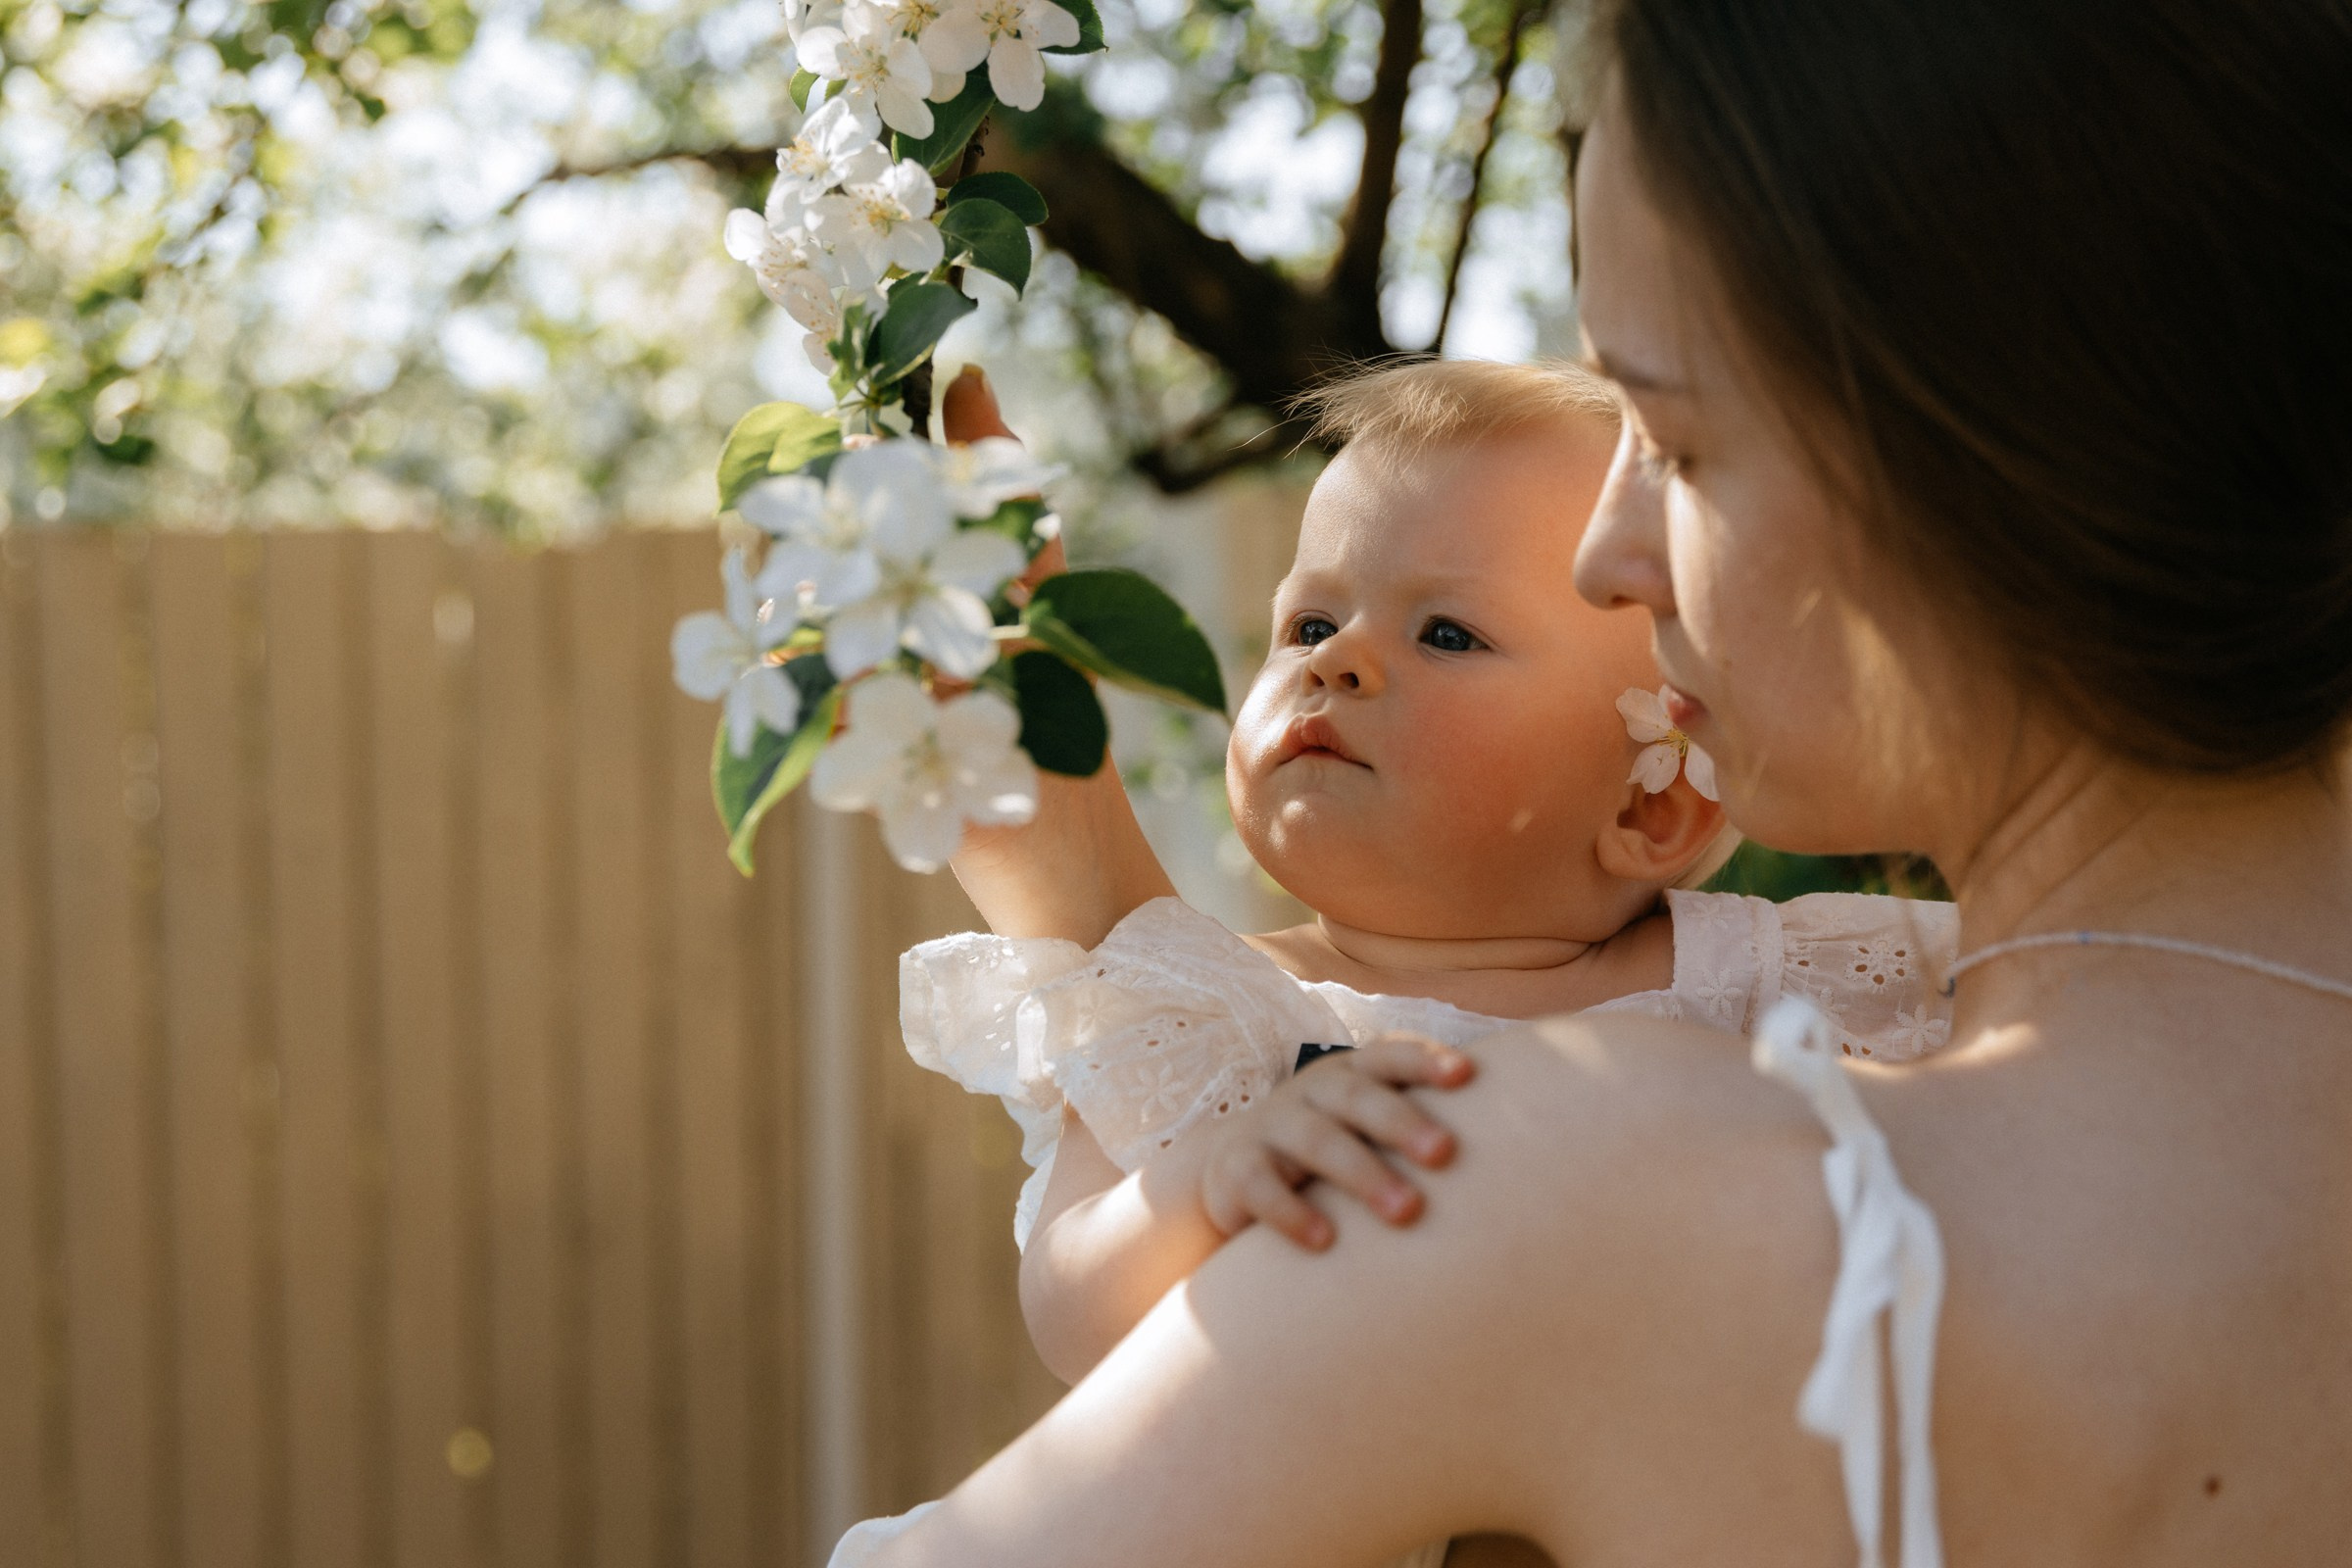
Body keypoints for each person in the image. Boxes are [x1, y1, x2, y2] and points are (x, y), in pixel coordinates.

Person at [836, 0, 2352, 1562]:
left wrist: (1093, 908)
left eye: (1676, 443)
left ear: (1987, 450)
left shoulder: (1530, 1188)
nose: (1613, 551)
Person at [906, 359, 1954, 1394]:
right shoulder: (1200, 1003)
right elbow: (1074, 1310)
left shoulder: (1787, 985)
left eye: (1446, 632)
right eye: (1310, 623)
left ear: (1651, 807)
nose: (1334, 660)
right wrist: (1210, 1179)